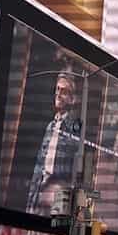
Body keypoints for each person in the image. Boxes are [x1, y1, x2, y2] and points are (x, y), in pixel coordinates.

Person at [25, 71, 83, 215]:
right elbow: (39, 167)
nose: (58, 94)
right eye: (57, 89)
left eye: (63, 91)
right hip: (40, 188)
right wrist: (30, 202)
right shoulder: (50, 126)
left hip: (57, 193)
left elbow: (75, 172)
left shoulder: (75, 129)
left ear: (72, 99)